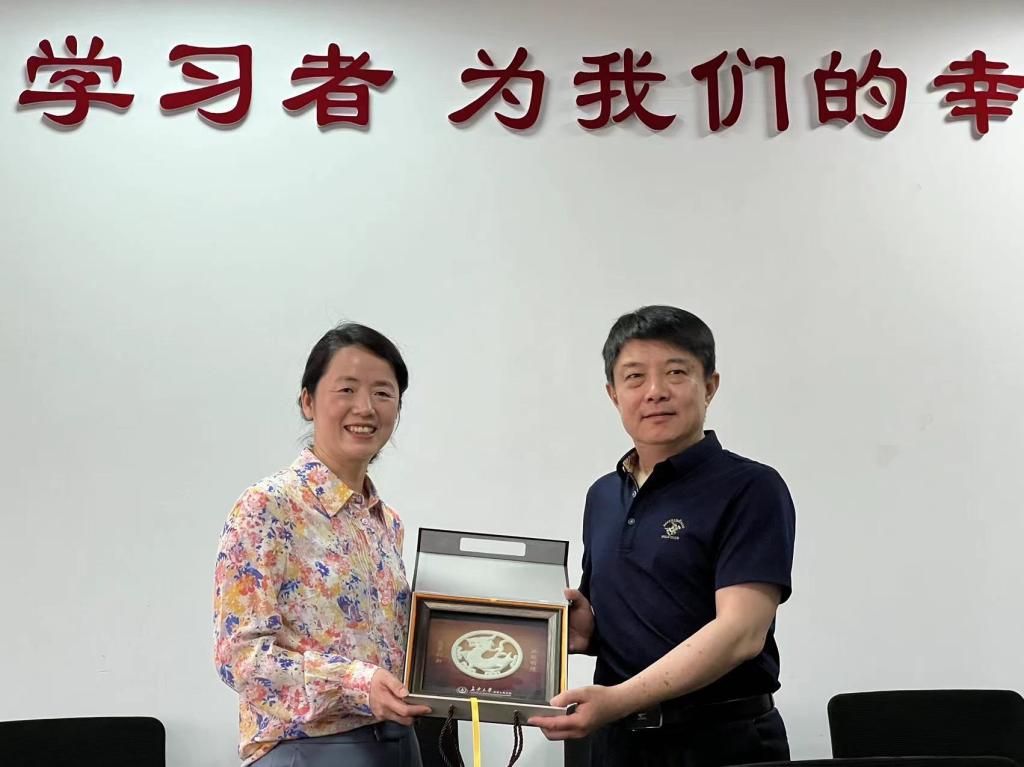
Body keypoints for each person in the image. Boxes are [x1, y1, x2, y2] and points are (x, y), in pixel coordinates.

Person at [532, 306, 797, 767]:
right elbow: (646, 615)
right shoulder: (603, 495)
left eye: (676, 372)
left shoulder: (751, 488)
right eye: (635, 377)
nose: (655, 391)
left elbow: (741, 633)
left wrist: (618, 699)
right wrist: (588, 630)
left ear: (709, 386)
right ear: (614, 395)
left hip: (720, 741)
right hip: (616, 743)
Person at [214, 323, 431, 766]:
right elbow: (241, 658)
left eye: (383, 393)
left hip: (398, 745)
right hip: (308, 749)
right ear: (308, 401)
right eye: (346, 389)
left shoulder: (386, 522)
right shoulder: (267, 507)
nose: (365, 407)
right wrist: (356, 683)